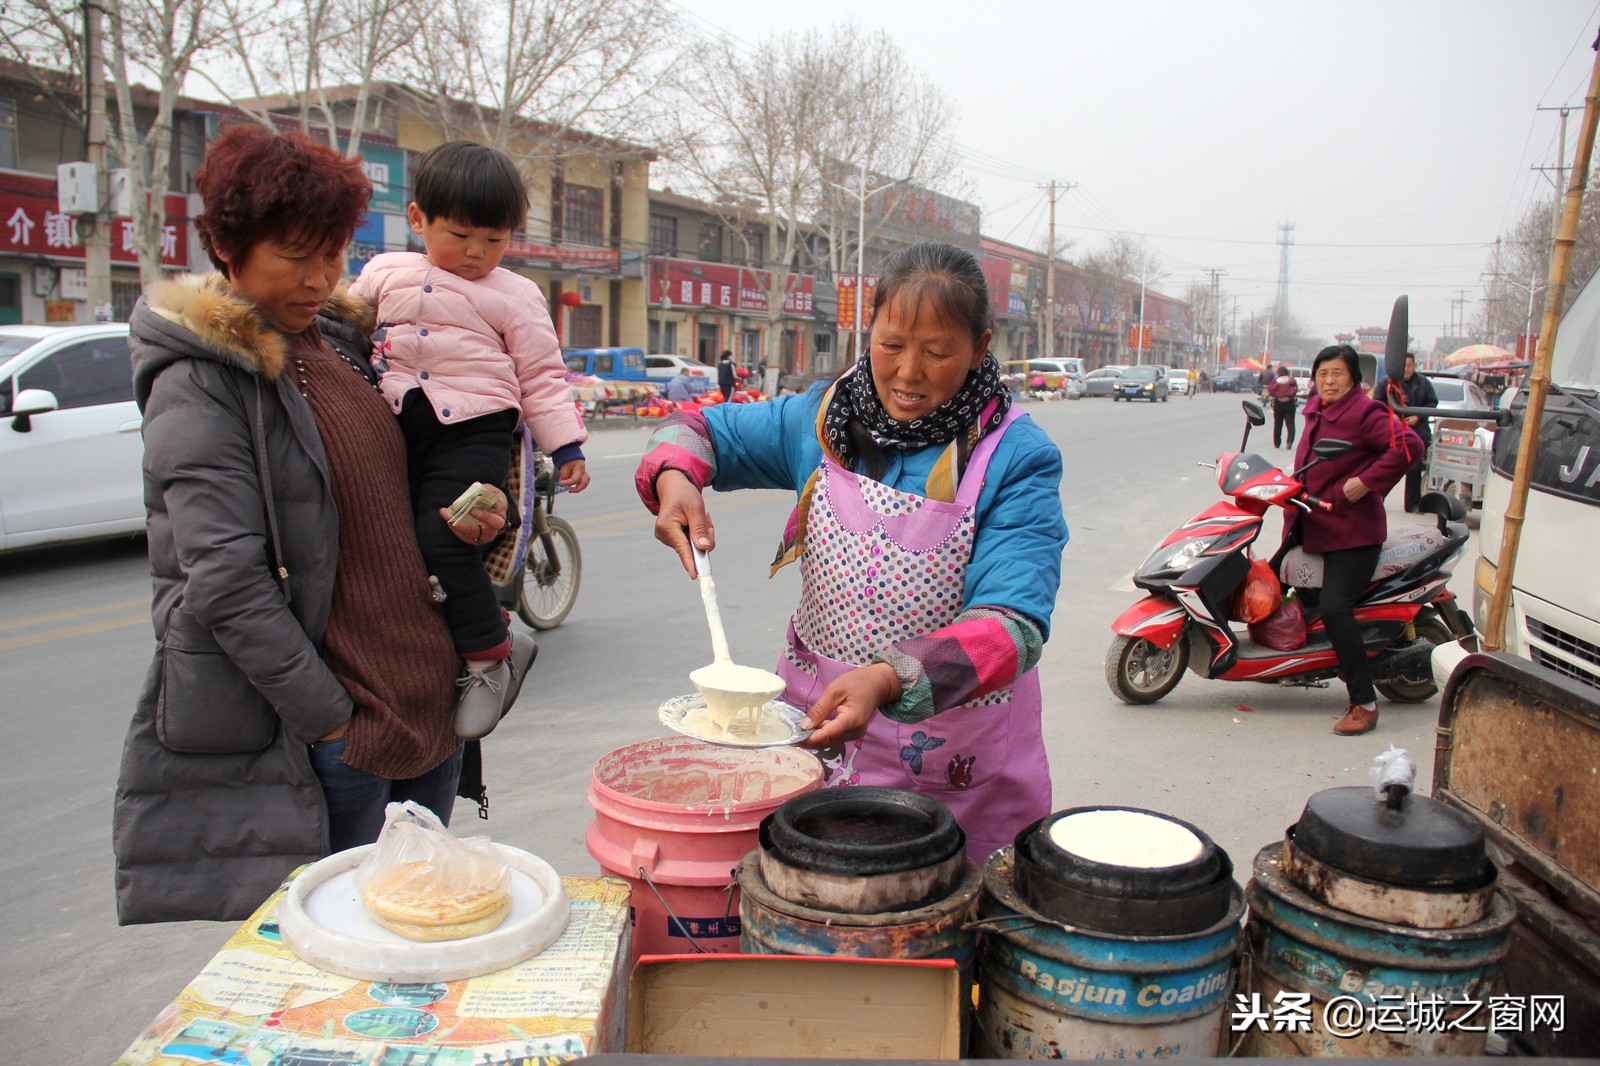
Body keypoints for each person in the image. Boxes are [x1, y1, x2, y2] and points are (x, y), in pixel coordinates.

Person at [113, 125, 524, 925]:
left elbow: (404, 488)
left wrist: (481, 512)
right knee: (343, 960)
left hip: (426, 705)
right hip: (345, 728)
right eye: (294, 255)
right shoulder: (200, 378)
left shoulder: (342, 342)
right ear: (230, 247)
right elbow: (224, 582)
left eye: (332, 253)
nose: (318, 277)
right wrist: (333, 719)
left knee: (425, 937)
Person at [636, 242, 1068, 861]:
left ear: (979, 348)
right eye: (891, 344)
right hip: (815, 734)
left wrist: (890, 678)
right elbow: (696, 429)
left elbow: (1013, 626)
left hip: (955, 767)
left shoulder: (1016, 457)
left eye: (938, 352)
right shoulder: (822, 418)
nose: (908, 373)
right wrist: (675, 479)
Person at [350, 141, 589, 737]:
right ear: (417, 220)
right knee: (392, 544)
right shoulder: (383, 273)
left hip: (475, 434)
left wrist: (567, 448)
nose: (476, 253)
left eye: (494, 240)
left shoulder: (516, 295)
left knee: (445, 532)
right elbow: (342, 334)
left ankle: (490, 654)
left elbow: (541, 375)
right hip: (398, 425)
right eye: (459, 235)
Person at [1276, 345, 1421, 738]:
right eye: (1322, 373)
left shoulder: (1364, 412)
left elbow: (1409, 446)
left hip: (1352, 533)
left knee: (1334, 608)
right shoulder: (1315, 409)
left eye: (1338, 373)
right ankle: (1295, 663)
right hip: (1310, 521)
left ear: (1354, 378)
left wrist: (1364, 484)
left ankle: (1365, 701)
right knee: (1269, 581)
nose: (1329, 380)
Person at [1399, 352, 1439, 511]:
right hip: (1394, 432)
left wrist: (1418, 416)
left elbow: (1432, 402)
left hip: (1417, 431)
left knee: (1414, 468)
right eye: (1404, 366)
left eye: (1410, 365)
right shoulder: (1390, 383)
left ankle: (1412, 504)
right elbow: (1378, 402)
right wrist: (1394, 416)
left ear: (1414, 366)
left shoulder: (1423, 383)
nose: (1407, 369)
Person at [1266, 363, 1300, 449]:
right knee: (1290, 424)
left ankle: (1277, 443)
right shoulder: (1291, 380)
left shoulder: (1276, 380)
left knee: (1277, 424)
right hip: (1289, 403)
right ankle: (1289, 442)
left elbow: (1271, 389)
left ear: (1279, 373)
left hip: (1278, 404)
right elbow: (1295, 389)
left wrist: (1276, 396)